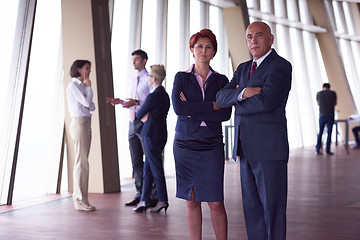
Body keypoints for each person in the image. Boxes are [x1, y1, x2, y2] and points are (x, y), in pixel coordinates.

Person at [216, 21, 292, 240]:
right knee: (252, 209)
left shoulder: (280, 66)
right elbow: (221, 98)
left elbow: (266, 103)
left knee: (273, 210)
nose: (253, 40)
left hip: (269, 149)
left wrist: (236, 99)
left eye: (259, 35)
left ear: (271, 39)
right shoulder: (242, 69)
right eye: (249, 37)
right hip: (245, 148)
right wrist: (245, 92)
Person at [172, 29, 232, 240]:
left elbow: (225, 113)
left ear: (214, 51)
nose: (203, 51)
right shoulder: (181, 78)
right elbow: (179, 109)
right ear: (192, 49)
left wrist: (193, 108)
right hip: (185, 144)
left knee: (216, 201)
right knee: (192, 199)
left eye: (208, 47)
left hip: (212, 144)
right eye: (199, 46)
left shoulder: (222, 80)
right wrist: (212, 106)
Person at [106, 49, 157, 207]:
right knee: (135, 160)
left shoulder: (150, 79)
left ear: (144, 61)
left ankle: (153, 195)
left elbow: (153, 101)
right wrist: (121, 101)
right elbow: (133, 100)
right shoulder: (132, 79)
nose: (133, 62)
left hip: (145, 122)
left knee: (149, 158)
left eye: (136, 59)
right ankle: (140, 193)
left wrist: (135, 102)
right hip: (132, 122)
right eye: (133, 59)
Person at [133, 64, 170, 213]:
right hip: (161, 134)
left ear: (153, 79)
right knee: (148, 168)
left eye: (148, 76)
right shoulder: (164, 95)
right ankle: (144, 199)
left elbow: (139, 113)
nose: (147, 78)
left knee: (155, 168)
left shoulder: (153, 96)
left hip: (150, 135)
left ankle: (162, 200)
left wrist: (145, 116)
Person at [66, 59, 96, 211]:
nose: (89, 71)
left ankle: (81, 199)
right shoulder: (73, 86)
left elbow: (92, 106)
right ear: (78, 69)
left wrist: (88, 90)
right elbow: (86, 103)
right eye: (86, 68)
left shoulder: (84, 86)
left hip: (86, 123)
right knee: (81, 162)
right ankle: (80, 200)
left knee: (83, 161)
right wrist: (89, 89)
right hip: (79, 123)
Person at [315, 83, 337, 155]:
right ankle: (328, 150)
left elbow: (318, 103)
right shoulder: (333, 93)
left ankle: (318, 149)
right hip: (330, 115)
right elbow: (335, 103)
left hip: (322, 115)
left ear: (323, 87)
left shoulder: (318, 93)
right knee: (329, 133)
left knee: (320, 132)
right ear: (329, 87)